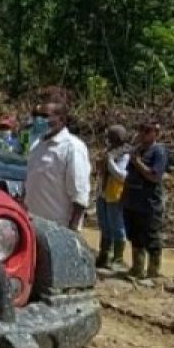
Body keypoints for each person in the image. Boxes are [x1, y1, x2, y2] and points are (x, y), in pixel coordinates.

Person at [24, 101, 90, 230]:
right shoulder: (38, 144)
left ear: (61, 119)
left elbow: (80, 195)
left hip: (58, 228)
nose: (39, 119)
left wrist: (72, 231)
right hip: (33, 223)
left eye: (45, 116)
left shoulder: (72, 147)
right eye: (37, 115)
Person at [122, 120, 169, 279]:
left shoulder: (158, 152)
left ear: (155, 133)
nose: (143, 134)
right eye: (141, 130)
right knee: (135, 236)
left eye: (147, 131)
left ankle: (153, 272)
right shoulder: (137, 150)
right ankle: (137, 268)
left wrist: (138, 162)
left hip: (149, 203)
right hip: (132, 201)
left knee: (151, 237)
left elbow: (154, 176)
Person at [95, 124, 130, 270]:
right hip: (103, 193)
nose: (107, 140)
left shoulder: (125, 154)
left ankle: (118, 258)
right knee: (104, 225)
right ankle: (104, 256)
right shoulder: (109, 151)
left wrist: (109, 162)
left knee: (117, 226)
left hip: (115, 194)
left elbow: (121, 175)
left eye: (110, 137)